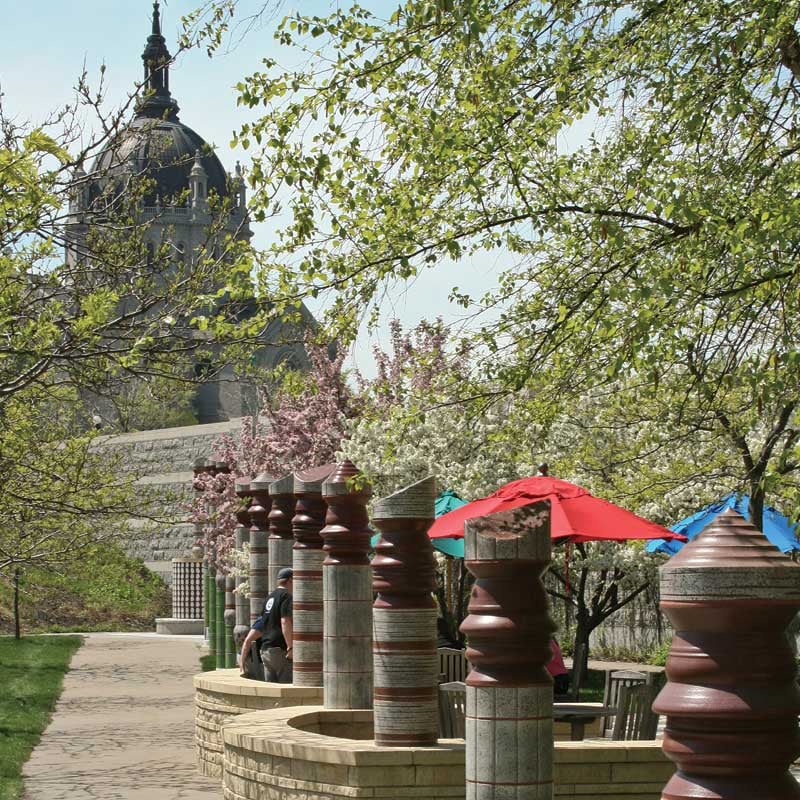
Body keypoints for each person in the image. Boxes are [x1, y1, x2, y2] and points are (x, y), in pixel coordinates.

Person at [239, 567, 294, 683]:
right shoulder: (286, 596)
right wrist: (290, 647)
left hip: (265, 650)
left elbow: (261, 625)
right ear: (290, 580)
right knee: (286, 689)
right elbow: (285, 621)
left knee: (271, 688)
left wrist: (242, 665)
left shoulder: (270, 597)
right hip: (281, 650)